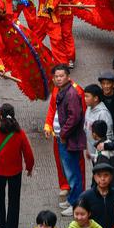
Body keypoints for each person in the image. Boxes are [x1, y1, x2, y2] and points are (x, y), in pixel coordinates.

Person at [0, 102, 34, 228]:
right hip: (15, 172)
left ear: (0, 115)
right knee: (14, 200)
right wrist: (29, 167)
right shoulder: (20, 133)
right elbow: (28, 153)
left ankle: (1, 225)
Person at [46, 65, 86, 217]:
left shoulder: (72, 93)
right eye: (56, 76)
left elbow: (74, 118)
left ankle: (77, 203)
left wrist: (63, 134)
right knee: (68, 170)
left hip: (69, 139)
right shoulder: (61, 90)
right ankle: (72, 199)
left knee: (73, 171)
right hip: (62, 138)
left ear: (68, 76)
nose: (58, 79)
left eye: (61, 76)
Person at [81, 160, 114, 228]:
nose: (102, 178)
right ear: (94, 177)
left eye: (106, 175)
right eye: (99, 175)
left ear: (111, 177)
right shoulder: (85, 197)